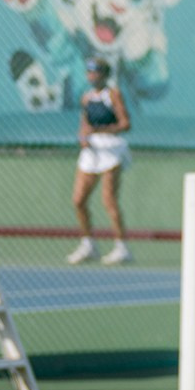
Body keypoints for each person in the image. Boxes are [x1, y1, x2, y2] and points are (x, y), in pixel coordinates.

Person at [69, 57, 132, 264]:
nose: (92, 75)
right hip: (91, 152)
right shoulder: (86, 98)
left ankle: (121, 247)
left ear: (104, 75)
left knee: (109, 200)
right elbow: (84, 124)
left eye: (96, 71)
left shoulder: (113, 95)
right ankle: (88, 245)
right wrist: (83, 137)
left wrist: (100, 130)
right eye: (89, 71)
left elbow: (125, 124)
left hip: (111, 150)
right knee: (78, 200)